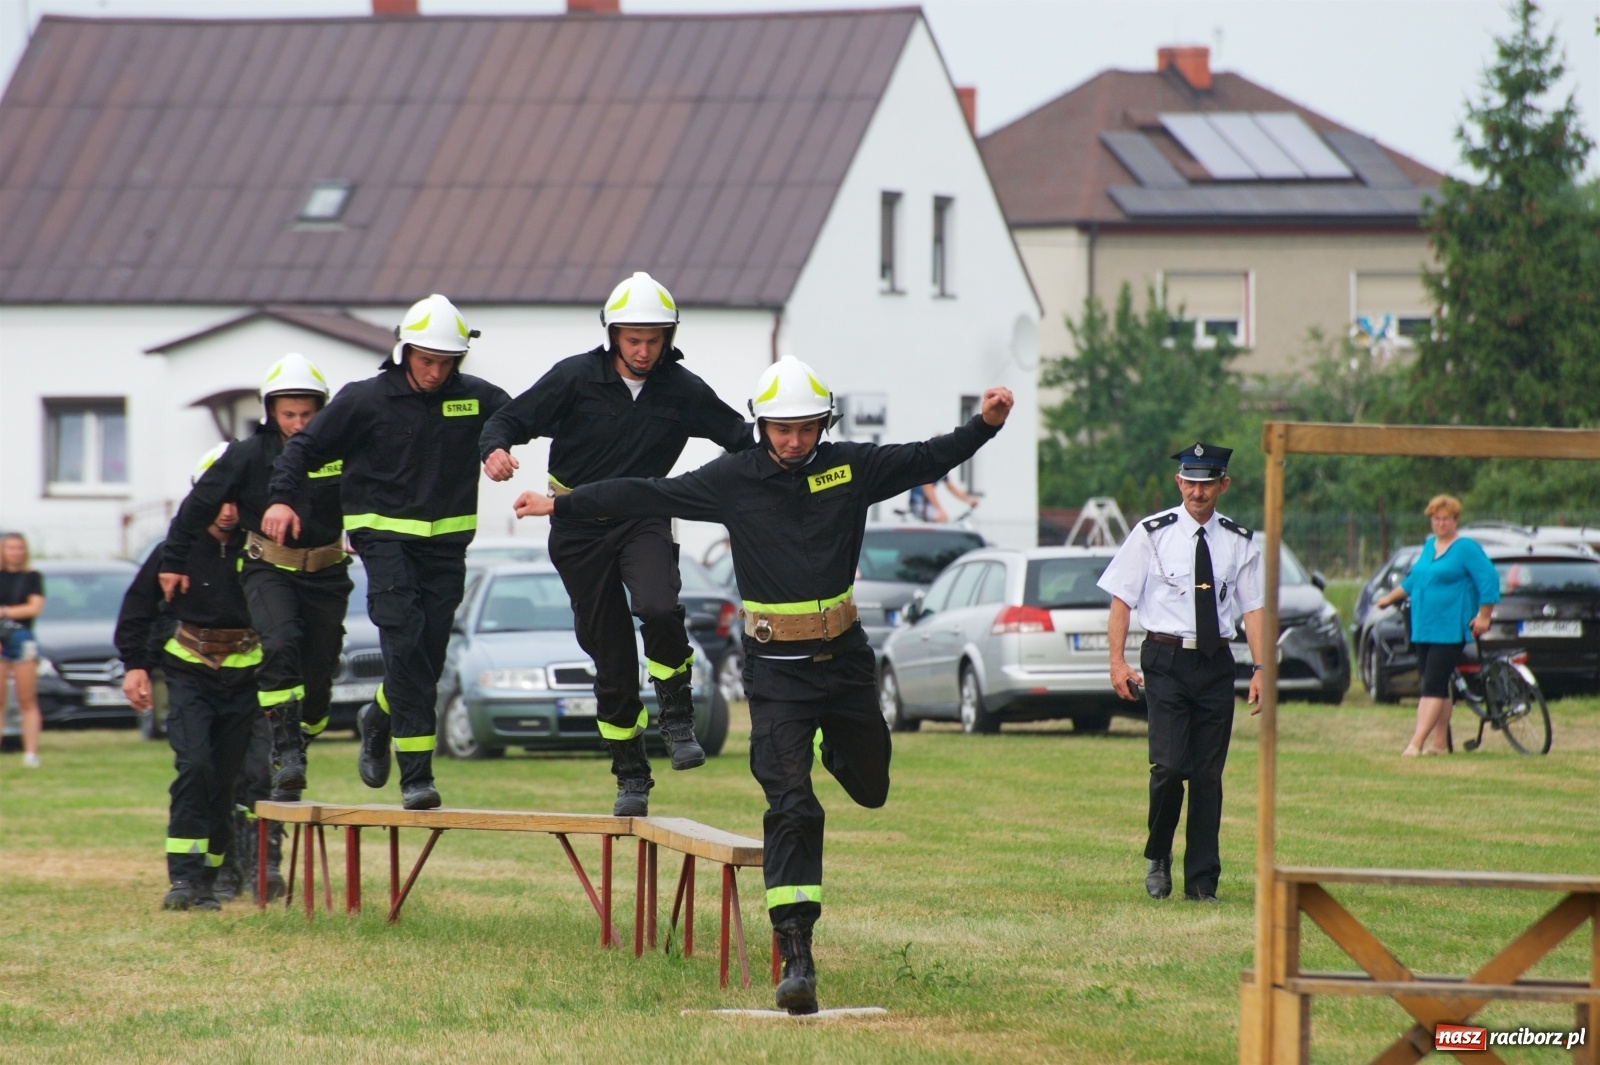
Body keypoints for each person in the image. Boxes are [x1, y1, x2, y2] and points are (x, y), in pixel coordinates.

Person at [512, 356, 1014, 1015]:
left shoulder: (849, 467)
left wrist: (985, 425)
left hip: (846, 660)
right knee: (791, 807)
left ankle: (839, 751)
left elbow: (924, 457)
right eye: (780, 429)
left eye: (805, 429)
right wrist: (564, 502)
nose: (792, 442)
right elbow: (642, 492)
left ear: (822, 425)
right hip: (776, 673)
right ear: (761, 424)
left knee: (872, 785)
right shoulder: (732, 477)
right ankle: (796, 954)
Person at [479, 271, 754, 815]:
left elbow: (744, 439)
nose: (645, 350)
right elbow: (509, 418)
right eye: (634, 339)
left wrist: (787, 457)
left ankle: (677, 717)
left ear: (669, 338)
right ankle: (631, 772)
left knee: (657, 605)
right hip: (576, 527)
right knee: (611, 656)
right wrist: (495, 450)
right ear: (612, 336)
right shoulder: (575, 378)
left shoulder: (684, 390)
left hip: (643, 517)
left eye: (655, 340)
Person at [264, 295, 509, 810]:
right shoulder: (363, 400)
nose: (435, 372)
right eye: (426, 360)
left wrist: (498, 447)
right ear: (404, 350)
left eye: (446, 362)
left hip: (446, 546)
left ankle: (378, 716)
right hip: (384, 541)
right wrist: (283, 498)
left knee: (429, 655)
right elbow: (304, 448)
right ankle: (416, 776)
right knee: (405, 642)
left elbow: (518, 419)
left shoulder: (478, 397)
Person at [160, 354, 350, 805]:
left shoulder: (342, 453)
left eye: (307, 414)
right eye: (288, 414)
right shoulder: (243, 456)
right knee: (281, 642)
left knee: (319, 672)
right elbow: (195, 509)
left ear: (322, 410)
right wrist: (173, 562)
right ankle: (285, 753)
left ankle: (302, 734)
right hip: (268, 569)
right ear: (270, 412)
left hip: (327, 573)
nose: (298, 424)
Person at [1098, 443, 1266, 904]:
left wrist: (1262, 668)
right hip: (1166, 660)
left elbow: (1252, 609)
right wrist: (1117, 661)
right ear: (1179, 483)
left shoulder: (1239, 541)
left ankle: (1202, 881)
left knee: (1208, 776)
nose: (1198, 491)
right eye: (1190, 482)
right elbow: (1121, 599)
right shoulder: (1151, 534)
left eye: (1207, 483)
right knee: (1170, 767)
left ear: (1222, 485)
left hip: (1214, 664)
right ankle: (1158, 854)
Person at [117, 447, 261, 911]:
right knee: (195, 767)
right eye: (217, 498)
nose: (227, 509)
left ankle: (210, 880)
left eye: (235, 498)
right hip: (189, 676)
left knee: (226, 781)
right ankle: (182, 879)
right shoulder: (173, 551)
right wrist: (134, 665)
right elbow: (138, 609)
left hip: (244, 679)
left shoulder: (258, 549)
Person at [1372, 494, 1498, 756]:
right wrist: (1388, 599)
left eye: (1446, 519)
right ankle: (1439, 744)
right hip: (1423, 625)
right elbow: (1413, 581)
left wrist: (1484, 614)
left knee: (1431, 685)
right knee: (1437, 685)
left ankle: (1415, 743)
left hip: (1449, 626)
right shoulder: (1429, 546)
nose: (1441, 524)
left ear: (1455, 520)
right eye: (1436, 519)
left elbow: (1488, 578)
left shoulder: (1465, 548)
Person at [0, 532, 46, 769]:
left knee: (26, 699)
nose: (15, 552)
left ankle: (30, 753)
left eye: (19, 548)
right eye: (10, 548)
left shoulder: (32, 577)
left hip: (21, 637)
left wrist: (5, 612)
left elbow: (34, 607)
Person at [908, 475, 977, 523]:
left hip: (927, 504)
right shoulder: (931, 466)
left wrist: (969, 500)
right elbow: (927, 488)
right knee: (941, 518)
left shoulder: (942, 469)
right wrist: (939, 509)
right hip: (918, 503)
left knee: (943, 518)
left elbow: (951, 488)